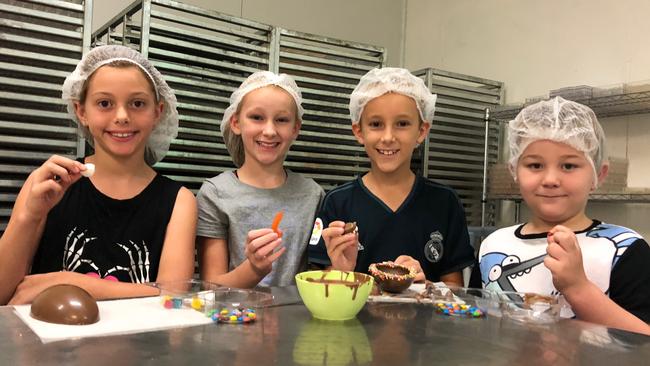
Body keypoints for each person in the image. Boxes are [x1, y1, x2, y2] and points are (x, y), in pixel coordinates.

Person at [0, 45, 197, 305]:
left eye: (137, 103)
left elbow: (174, 300)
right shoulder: (48, 184)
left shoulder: (178, 202)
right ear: (82, 112)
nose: (122, 116)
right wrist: (29, 216)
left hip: (143, 346)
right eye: (105, 103)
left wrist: (67, 282)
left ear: (157, 112)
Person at [478, 96, 650, 335]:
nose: (550, 180)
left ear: (598, 175)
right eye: (535, 166)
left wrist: (578, 288)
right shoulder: (493, 246)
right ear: (514, 170)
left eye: (569, 166)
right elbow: (475, 319)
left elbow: (644, 341)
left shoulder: (623, 249)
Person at [308, 68, 474, 286]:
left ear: (422, 131)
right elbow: (319, 283)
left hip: (424, 320)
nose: (388, 137)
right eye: (376, 124)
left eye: (402, 124)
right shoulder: (338, 202)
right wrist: (341, 270)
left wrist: (427, 287)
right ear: (359, 132)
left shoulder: (444, 202)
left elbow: (455, 287)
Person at [197, 71, 324, 288]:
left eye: (282, 120)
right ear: (236, 123)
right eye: (257, 117)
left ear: (295, 129)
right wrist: (253, 269)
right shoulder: (215, 193)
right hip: (234, 318)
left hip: (297, 319)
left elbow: (317, 276)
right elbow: (211, 287)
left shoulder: (312, 195)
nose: (269, 131)